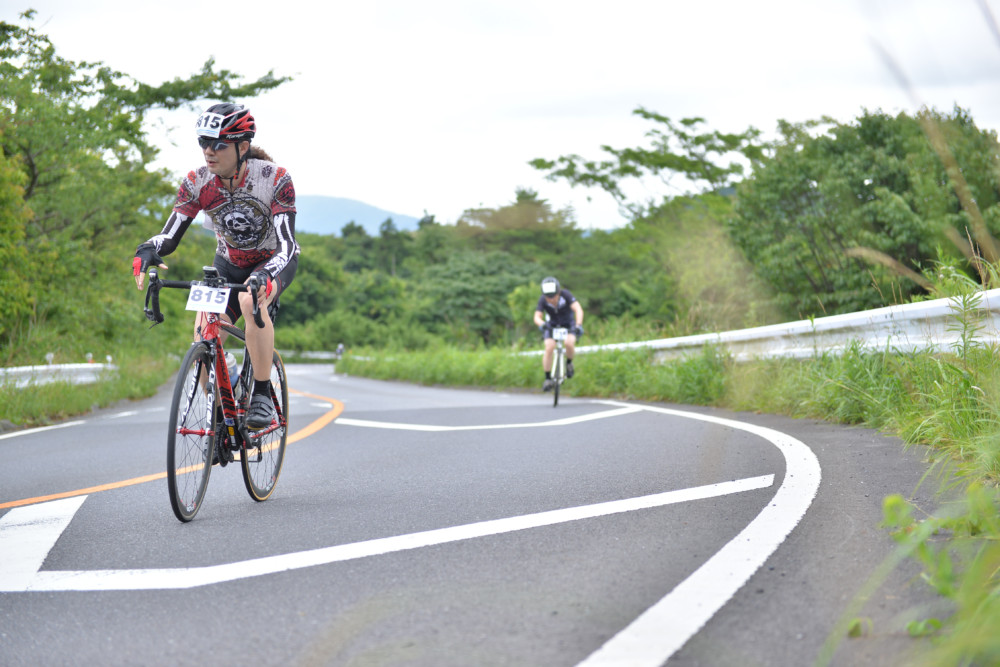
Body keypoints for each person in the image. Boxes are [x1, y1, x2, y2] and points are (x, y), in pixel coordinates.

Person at [132, 103, 300, 429]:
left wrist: (264, 276)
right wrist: (148, 249)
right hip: (227, 263)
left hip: (273, 261)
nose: (209, 151)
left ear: (243, 147)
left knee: (251, 301)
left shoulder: (275, 179)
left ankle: (262, 394)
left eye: (219, 144)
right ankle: (229, 381)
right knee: (203, 333)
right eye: (203, 142)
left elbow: (287, 244)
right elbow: (170, 235)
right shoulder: (197, 182)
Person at [533, 276, 584, 391]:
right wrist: (542, 324)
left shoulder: (566, 295)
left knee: (569, 343)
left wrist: (578, 325)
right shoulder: (542, 300)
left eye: (553, 296)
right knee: (549, 347)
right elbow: (537, 316)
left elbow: (578, 309)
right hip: (552, 325)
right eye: (548, 297)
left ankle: (569, 363)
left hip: (568, 324)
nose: (551, 299)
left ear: (558, 292)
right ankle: (547, 378)